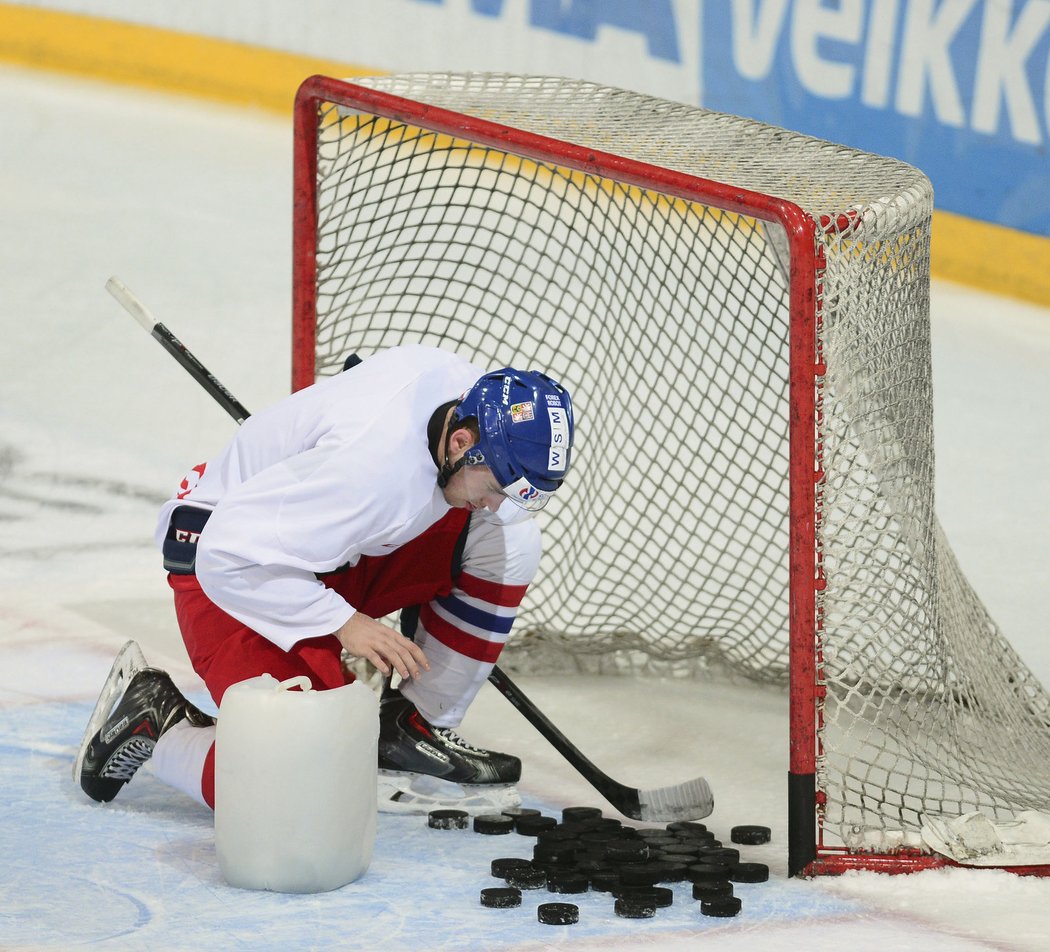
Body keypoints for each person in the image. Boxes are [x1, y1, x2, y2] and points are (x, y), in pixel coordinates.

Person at [74, 344, 574, 814]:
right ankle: (159, 723)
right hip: (237, 574)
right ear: (462, 442)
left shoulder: (462, 392)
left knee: (508, 539)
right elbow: (224, 553)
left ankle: (410, 729)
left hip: (325, 547)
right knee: (303, 785)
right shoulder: (365, 475)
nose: (491, 502)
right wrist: (344, 622)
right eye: (492, 486)